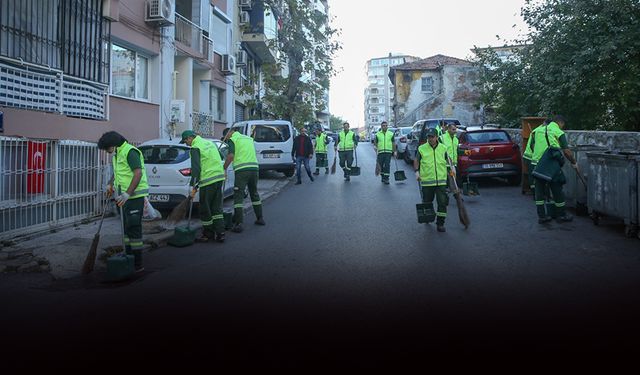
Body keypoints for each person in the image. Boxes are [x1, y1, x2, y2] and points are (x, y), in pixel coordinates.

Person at [98, 131, 148, 272]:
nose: (107, 152)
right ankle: (129, 255)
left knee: (133, 227)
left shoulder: (130, 152)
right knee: (125, 227)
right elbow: (119, 171)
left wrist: (127, 193)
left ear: (113, 145)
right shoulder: (118, 154)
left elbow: (138, 173)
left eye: (107, 148)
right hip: (123, 197)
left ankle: (138, 263)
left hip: (134, 196)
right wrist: (110, 183)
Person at [530, 115, 577, 224]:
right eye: (563, 126)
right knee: (557, 188)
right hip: (551, 165)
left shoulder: (537, 130)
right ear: (561, 123)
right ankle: (561, 215)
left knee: (539, 192)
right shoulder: (558, 132)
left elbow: (532, 146)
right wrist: (574, 163)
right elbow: (566, 151)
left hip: (537, 164)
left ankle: (542, 216)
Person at [180, 130, 226, 243]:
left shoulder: (195, 147)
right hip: (219, 177)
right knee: (216, 207)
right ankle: (220, 233)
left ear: (190, 138)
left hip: (208, 179)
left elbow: (196, 168)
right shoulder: (209, 143)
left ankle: (208, 233)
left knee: (205, 208)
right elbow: (220, 156)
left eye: (186, 141)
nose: (186, 144)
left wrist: (194, 184)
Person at [222, 127, 265, 233]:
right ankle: (260, 218)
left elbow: (231, 156)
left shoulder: (233, 139)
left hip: (242, 170)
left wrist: (224, 168)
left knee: (238, 195)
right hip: (254, 169)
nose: (227, 138)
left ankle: (238, 223)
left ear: (229, 133)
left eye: (226, 136)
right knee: (254, 193)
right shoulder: (248, 139)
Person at [414, 127, 449, 233]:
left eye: (432, 137)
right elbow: (416, 160)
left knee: (442, 203)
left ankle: (440, 223)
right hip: (427, 181)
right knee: (427, 202)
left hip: (441, 181)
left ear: (437, 137)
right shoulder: (422, 148)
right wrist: (416, 171)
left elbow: (448, 160)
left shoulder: (443, 148)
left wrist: (451, 169)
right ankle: (428, 216)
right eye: (428, 137)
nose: (430, 139)